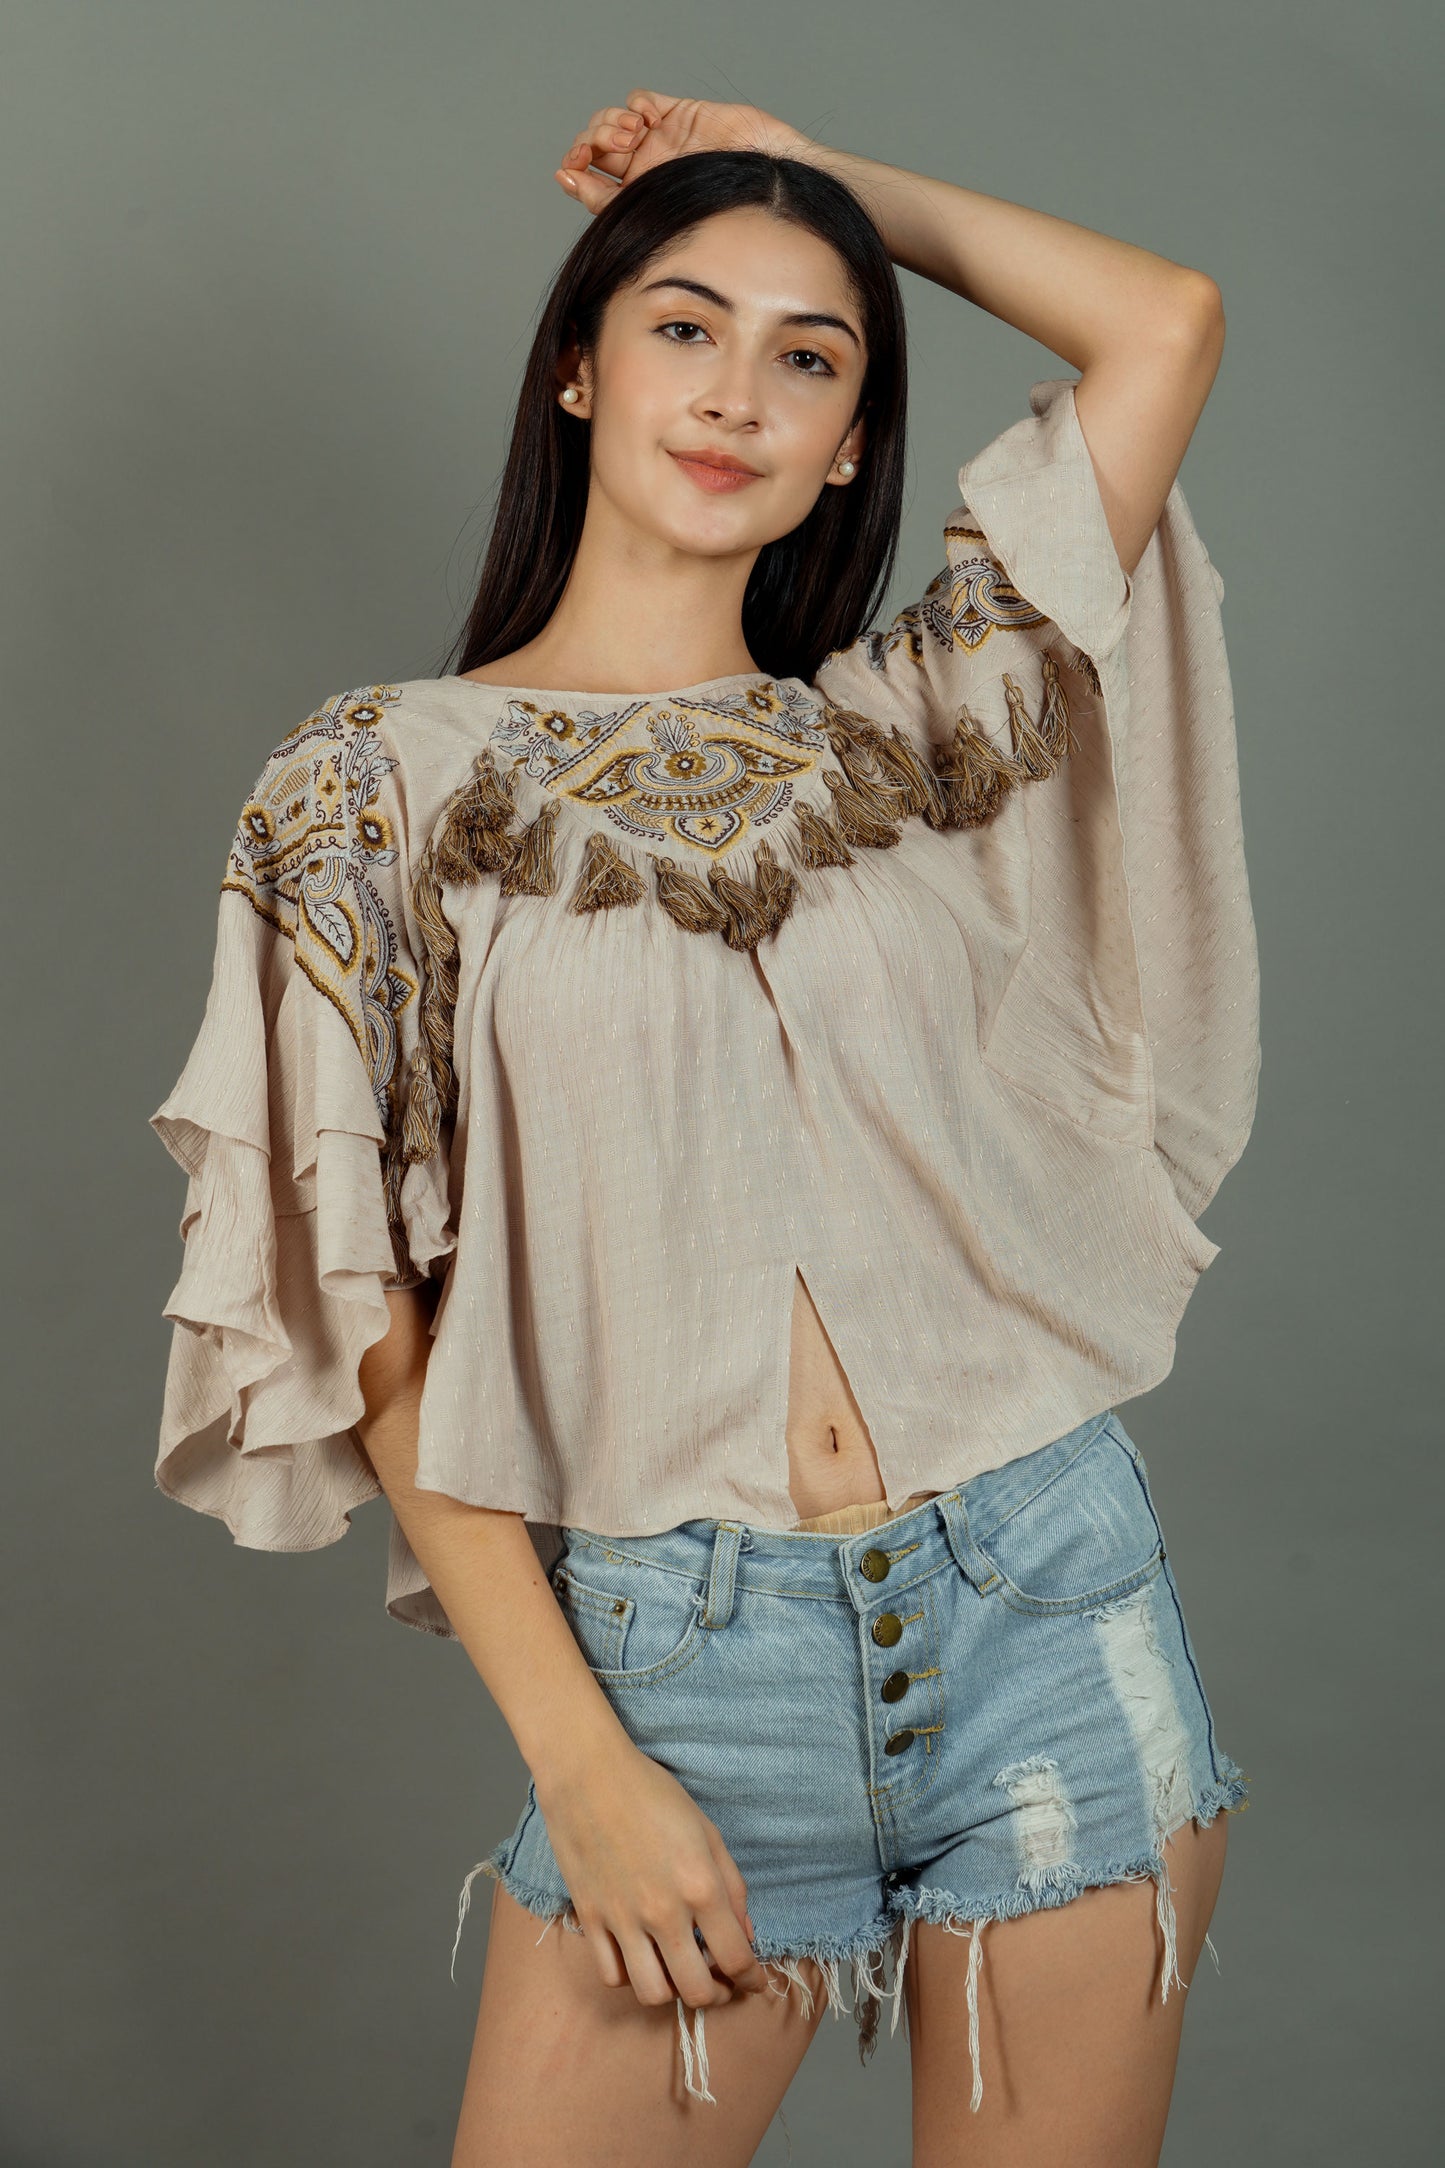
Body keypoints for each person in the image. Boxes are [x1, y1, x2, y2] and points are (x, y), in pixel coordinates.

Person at [149, 88, 1260, 2168]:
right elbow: (380, 1314)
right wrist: (580, 1756)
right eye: (683, 323)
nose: (737, 389)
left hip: (1048, 1596)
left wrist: (827, 171)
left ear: (852, 441)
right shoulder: (376, 785)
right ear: (576, 365)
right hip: (680, 1656)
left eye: (808, 353)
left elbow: (1165, 322)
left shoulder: (910, 728)